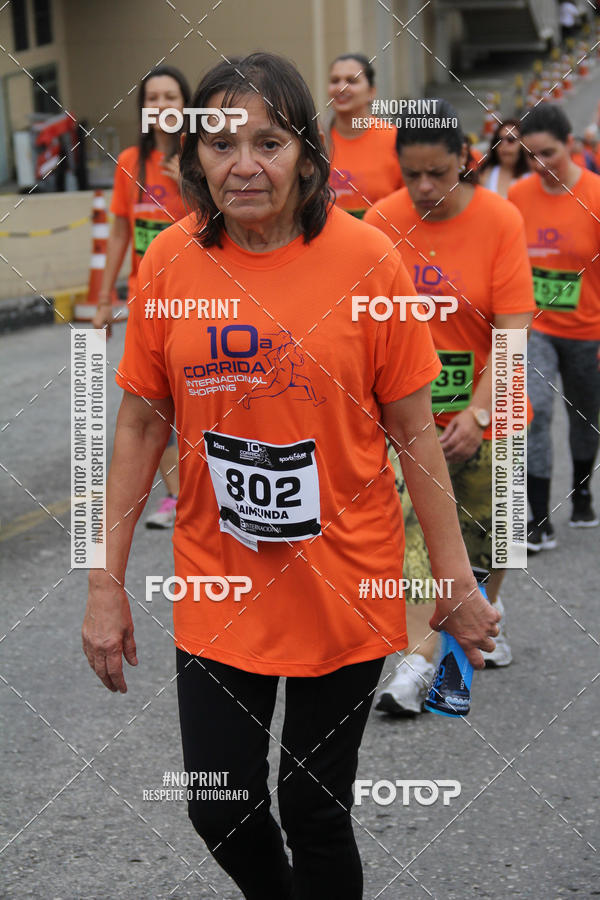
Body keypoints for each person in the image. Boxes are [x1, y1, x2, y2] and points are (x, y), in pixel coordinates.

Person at [82, 54, 499, 899]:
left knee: (313, 807)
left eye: (269, 142)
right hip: (216, 581)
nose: (245, 164)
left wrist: (453, 580)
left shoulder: (368, 260)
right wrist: (104, 579)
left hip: (344, 579)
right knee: (221, 806)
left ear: (309, 153)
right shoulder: (167, 264)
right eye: (221, 142)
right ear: (192, 158)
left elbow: (415, 433)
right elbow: (137, 424)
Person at [364, 99, 534, 712]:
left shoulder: (500, 220)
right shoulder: (380, 223)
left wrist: (480, 412)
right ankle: (417, 662)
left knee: (495, 538)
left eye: (438, 172)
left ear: (466, 160)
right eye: (412, 175)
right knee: (412, 536)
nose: (425, 187)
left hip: (496, 410)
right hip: (410, 419)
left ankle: (486, 611)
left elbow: (512, 329)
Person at [92, 65, 191, 528]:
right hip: (145, 301)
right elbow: (118, 233)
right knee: (154, 401)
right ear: (144, 110)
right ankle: (178, 497)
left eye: (171, 97)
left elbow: (223, 222)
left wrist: (185, 182)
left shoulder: (201, 157)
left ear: (185, 106)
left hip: (195, 300)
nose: (162, 106)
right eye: (154, 99)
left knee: (197, 397)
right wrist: (103, 298)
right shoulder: (130, 161)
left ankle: (206, 486)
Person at [509, 104, 600, 548]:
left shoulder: (596, 196)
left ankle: (582, 493)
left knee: (584, 417)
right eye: (530, 155)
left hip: (589, 331)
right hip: (537, 328)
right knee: (536, 412)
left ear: (571, 145)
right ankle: (538, 518)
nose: (540, 164)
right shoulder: (518, 197)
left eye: (548, 153)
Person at [326, 53, 403, 218]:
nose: (341, 87)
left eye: (351, 81)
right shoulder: (315, 141)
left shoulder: (396, 139)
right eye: (335, 81)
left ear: (371, 92)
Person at [479, 118, 529, 198]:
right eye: (499, 140)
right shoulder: (485, 175)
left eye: (511, 139)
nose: (504, 144)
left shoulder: (534, 174)